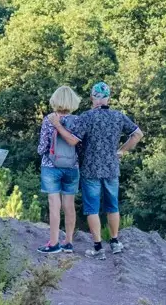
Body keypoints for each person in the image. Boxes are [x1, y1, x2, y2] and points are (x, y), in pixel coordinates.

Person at [52, 81, 142, 260]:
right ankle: (115, 242)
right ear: (109, 98)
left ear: (92, 97)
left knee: (92, 208)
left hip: (90, 168)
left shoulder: (87, 117)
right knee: (112, 206)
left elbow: (72, 141)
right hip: (111, 167)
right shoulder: (118, 116)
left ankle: (98, 247)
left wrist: (58, 126)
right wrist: (122, 150)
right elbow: (138, 134)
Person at [36, 86, 81, 254]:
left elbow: (43, 146)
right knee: (69, 204)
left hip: (51, 166)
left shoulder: (49, 119)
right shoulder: (77, 120)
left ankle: (53, 243)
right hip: (72, 166)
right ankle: (68, 242)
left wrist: (41, 153)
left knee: (54, 204)